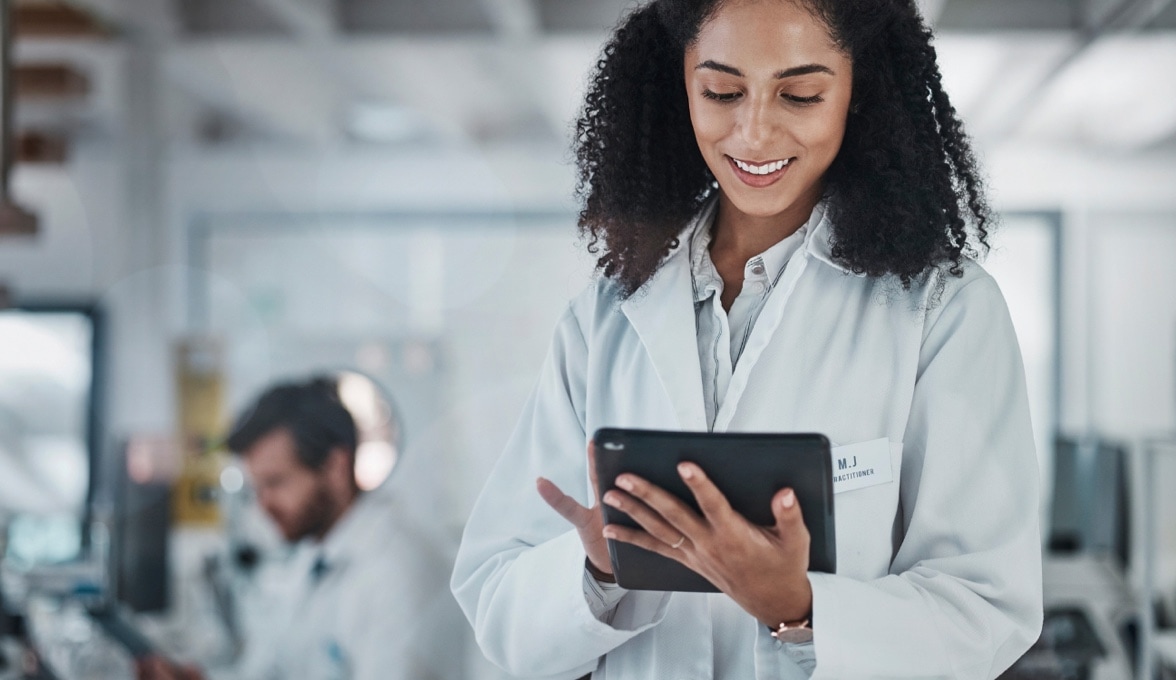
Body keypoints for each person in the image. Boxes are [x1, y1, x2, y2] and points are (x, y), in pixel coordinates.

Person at [451, 0, 1043, 677]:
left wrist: (800, 606)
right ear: (681, 85)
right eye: (722, 91)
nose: (754, 131)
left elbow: (987, 610)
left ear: (858, 92)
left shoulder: (944, 309)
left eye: (800, 94)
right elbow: (497, 605)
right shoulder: (606, 315)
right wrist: (598, 571)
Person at [138, 377, 451, 680]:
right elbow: (268, 672)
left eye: (275, 483)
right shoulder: (311, 554)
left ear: (336, 468)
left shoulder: (398, 573)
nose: (263, 505)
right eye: (257, 488)